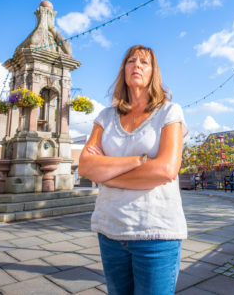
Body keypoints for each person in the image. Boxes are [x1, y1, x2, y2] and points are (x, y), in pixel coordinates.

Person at [78, 44, 188, 295]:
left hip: (156, 233)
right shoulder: (105, 117)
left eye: (144, 62)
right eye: (131, 61)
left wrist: (106, 173)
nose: (136, 65)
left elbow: (166, 170)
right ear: (123, 70)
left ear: (153, 73)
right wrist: (139, 160)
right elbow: (85, 166)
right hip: (110, 229)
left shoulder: (170, 112)